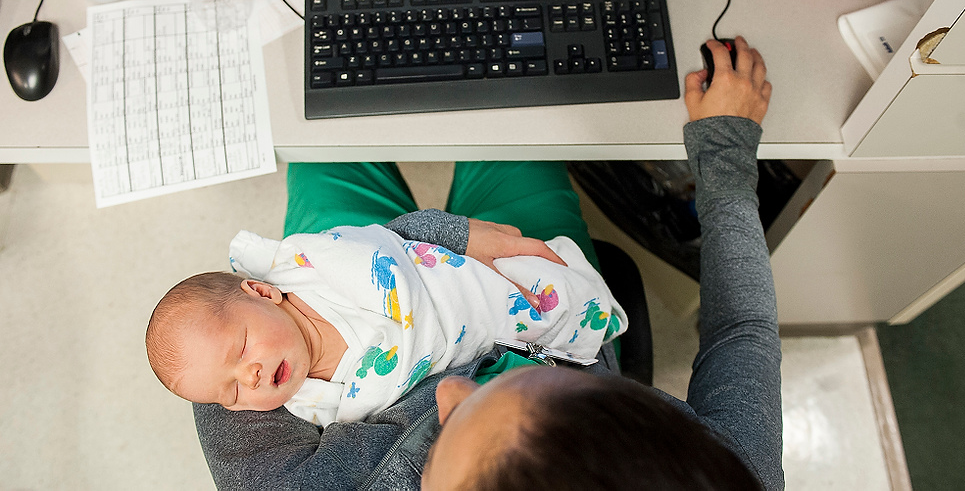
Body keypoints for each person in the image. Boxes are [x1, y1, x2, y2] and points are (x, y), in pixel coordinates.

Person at [191, 36, 783, 490]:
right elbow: (742, 331)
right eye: (555, 391)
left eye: (435, 458)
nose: (450, 391)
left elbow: (216, 360)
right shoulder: (730, 473)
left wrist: (249, 332)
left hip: (334, 318)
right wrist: (724, 148)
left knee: (321, 135)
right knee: (514, 101)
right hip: (539, 301)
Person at [145, 222, 626, 427]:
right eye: (231, 394)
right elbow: (369, 412)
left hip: (453, 286)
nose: (249, 378)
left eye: (242, 349)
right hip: (479, 356)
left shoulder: (309, 265)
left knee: (539, 292)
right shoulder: (312, 404)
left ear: (263, 292)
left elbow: (382, 252)